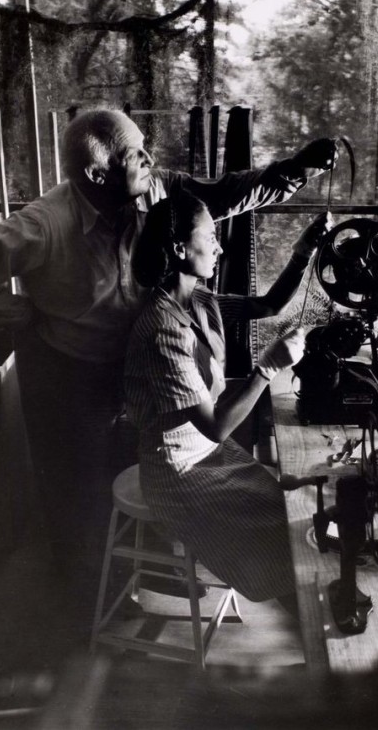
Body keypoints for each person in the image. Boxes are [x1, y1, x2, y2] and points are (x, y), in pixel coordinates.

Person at [0, 108, 337, 616]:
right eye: (136, 153)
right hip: (69, 374)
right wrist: (25, 317)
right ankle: (91, 611)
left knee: (136, 469)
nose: (150, 159)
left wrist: (295, 170)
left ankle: (144, 574)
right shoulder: (43, 226)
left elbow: (224, 195)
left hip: (140, 359)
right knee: (78, 495)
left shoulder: (155, 190)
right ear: (97, 174)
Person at [125, 193, 332, 609]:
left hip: (212, 455)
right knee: (282, 532)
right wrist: (269, 367)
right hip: (179, 471)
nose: (220, 247)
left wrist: (303, 251)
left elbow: (268, 304)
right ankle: (318, 623)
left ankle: (318, 611)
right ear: (180, 249)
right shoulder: (161, 329)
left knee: (289, 514)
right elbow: (216, 427)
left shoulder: (200, 301)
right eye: (211, 236)